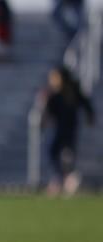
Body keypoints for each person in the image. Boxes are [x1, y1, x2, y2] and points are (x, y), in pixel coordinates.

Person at [40, 65, 96, 196]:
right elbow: (49, 111)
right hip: (60, 127)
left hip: (68, 128)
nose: (52, 80)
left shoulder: (71, 90)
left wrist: (90, 116)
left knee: (64, 153)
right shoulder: (54, 93)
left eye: (54, 77)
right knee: (56, 152)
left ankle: (65, 178)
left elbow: (86, 103)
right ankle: (63, 178)